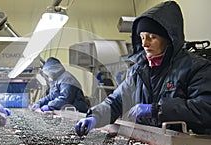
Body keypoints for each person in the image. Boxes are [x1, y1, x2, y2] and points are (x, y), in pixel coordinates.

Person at [75, 1, 211, 136]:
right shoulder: (138, 71)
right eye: (142, 37)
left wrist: (156, 110)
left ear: (169, 39)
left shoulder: (196, 68)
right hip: (151, 141)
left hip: (189, 143)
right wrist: (95, 116)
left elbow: (205, 108)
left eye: (152, 37)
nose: (145, 44)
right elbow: (117, 102)